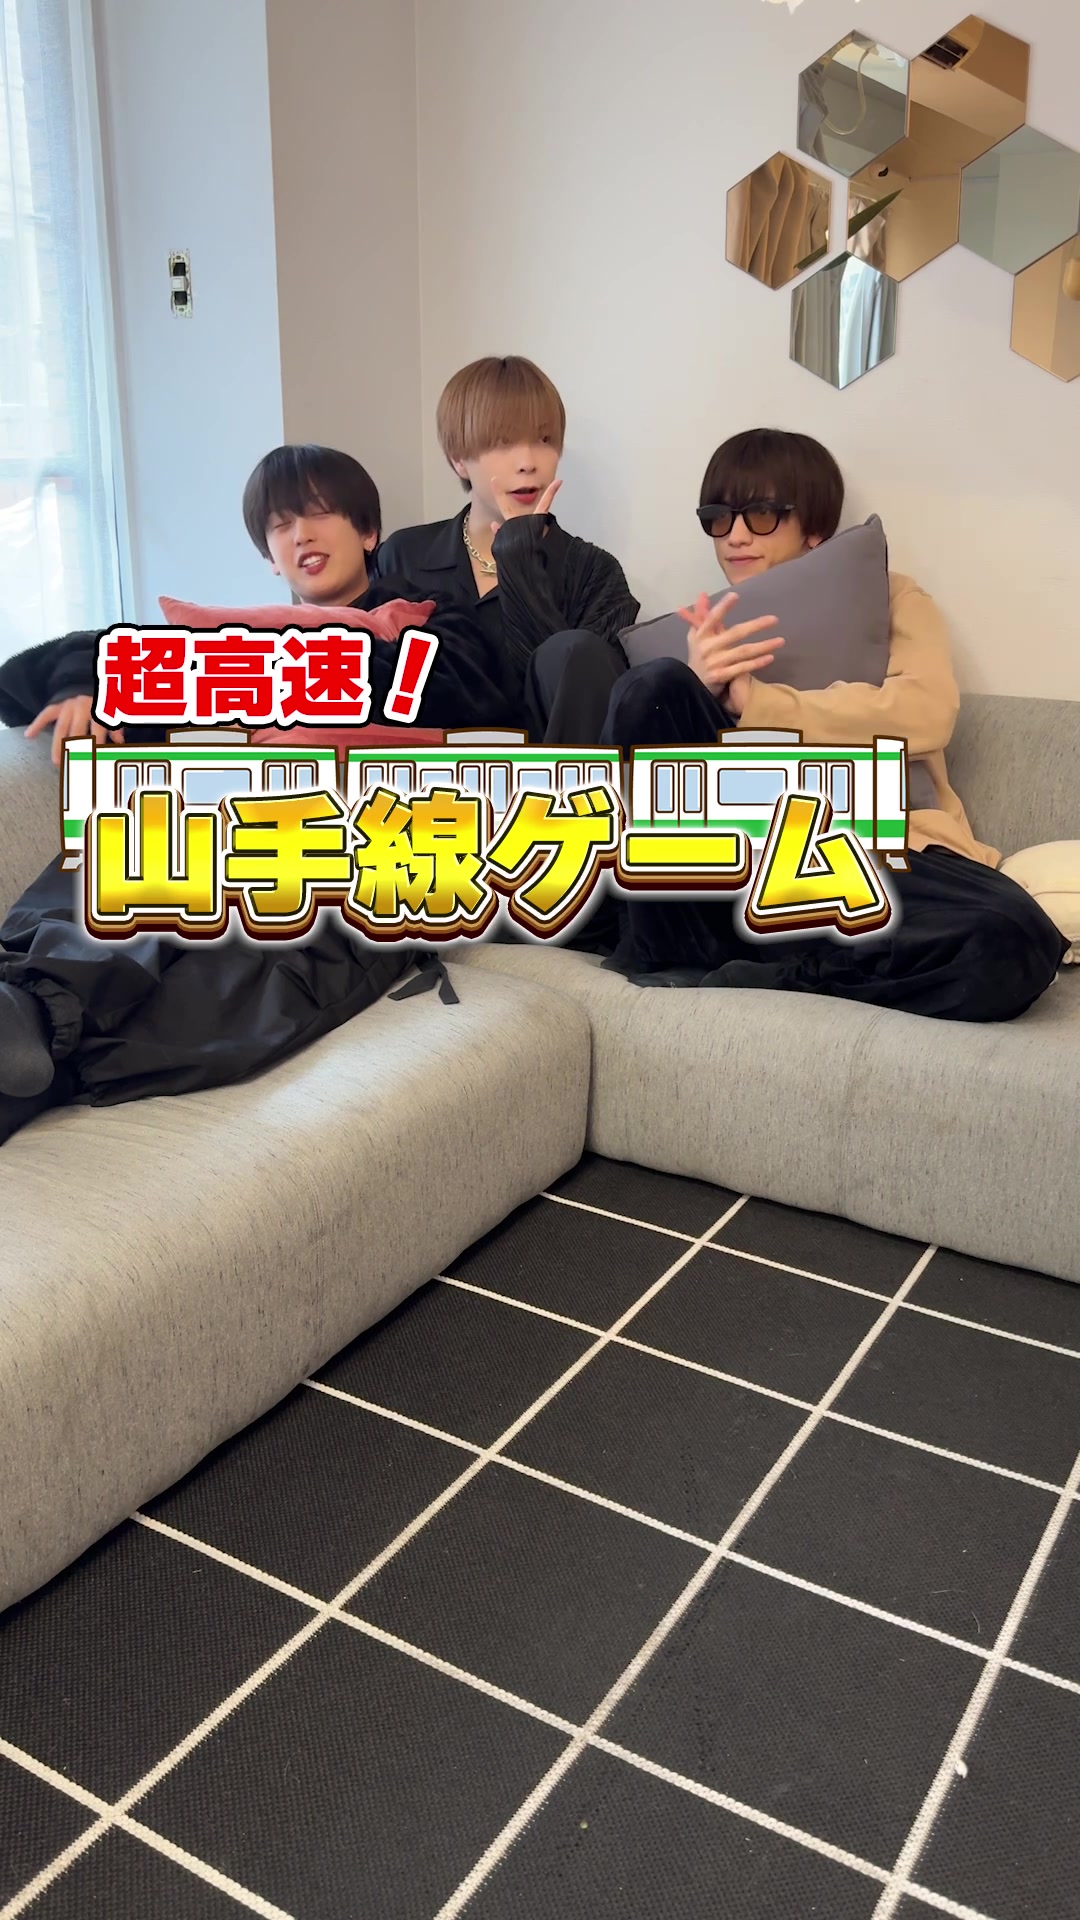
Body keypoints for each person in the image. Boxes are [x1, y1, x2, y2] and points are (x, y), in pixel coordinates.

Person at [0, 444, 508, 1145]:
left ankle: (41, 1054)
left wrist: (299, 679)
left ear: (368, 532)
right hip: (233, 829)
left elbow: (472, 693)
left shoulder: (428, 621)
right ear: (269, 556)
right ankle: (24, 1013)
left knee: (266, 968)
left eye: (320, 513)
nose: (301, 534)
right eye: (280, 524)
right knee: (142, 842)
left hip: (371, 856)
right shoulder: (234, 644)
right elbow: (22, 678)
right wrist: (82, 682)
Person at [601, 428, 1068, 1022]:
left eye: (761, 514)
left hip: (868, 856)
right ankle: (685, 951)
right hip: (739, 866)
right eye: (719, 517)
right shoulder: (704, 628)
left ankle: (771, 977)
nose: (736, 535)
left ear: (814, 530)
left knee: (1016, 933)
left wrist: (759, 703)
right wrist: (699, 685)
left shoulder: (891, 597)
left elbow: (926, 712)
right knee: (653, 688)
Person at [375, 356, 639, 746]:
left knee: (575, 650)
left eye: (544, 440)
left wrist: (520, 562)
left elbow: (583, 709)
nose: (528, 463)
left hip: (554, 779)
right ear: (459, 460)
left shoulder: (594, 573)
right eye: (503, 443)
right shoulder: (405, 556)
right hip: (428, 775)